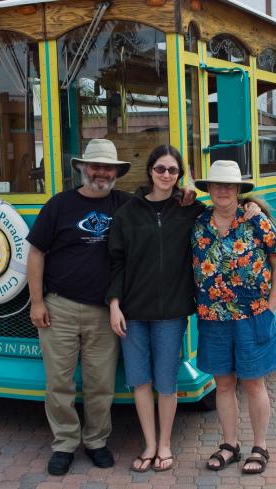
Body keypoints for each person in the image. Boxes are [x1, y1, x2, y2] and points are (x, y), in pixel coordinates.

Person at [107, 146, 262, 473]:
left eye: (172, 170)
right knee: (140, 382)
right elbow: (116, 262)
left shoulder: (191, 211)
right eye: (160, 169)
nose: (166, 175)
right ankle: (149, 443)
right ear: (150, 170)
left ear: (179, 176)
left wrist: (251, 208)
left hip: (172, 312)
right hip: (133, 311)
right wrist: (114, 303)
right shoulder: (128, 213)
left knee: (166, 382)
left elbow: (230, 209)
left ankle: (165, 444)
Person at [26, 138, 131, 476]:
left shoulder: (126, 205)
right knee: (59, 383)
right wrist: (37, 302)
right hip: (60, 309)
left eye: (108, 167)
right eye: (95, 165)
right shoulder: (59, 205)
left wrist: (244, 205)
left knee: (101, 383)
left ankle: (97, 441)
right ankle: (64, 444)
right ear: (83, 168)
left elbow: (166, 206)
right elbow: (36, 254)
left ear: (116, 172)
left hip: (105, 312)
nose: (101, 172)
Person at [190, 159, 276, 475]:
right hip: (213, 318)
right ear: (209, 189)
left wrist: (271, 306)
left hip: (252, 316)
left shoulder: (255, 221)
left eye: (228, 185)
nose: (222, 190)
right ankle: (230, 444)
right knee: (224, 384)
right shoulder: (199, 221)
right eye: (216, 185)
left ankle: (261, 447)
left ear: (238, 189)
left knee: (254, 383)